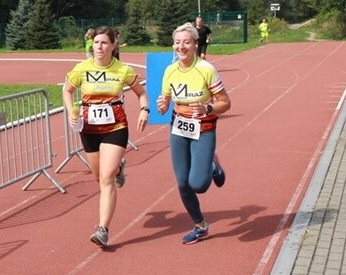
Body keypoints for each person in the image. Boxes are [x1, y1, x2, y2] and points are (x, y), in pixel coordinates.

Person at [63, 26, 148, 249]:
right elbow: (67, 90)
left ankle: (102, 229)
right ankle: (119, 167)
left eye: (103, 43)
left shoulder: (123, 70)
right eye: (96, 43)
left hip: (115, 127)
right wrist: (71, 112)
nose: (98, 47)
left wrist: (144, 109)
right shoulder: (82, 68)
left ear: (113, 46)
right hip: (89, 129)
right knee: (98, 177)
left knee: (106, 177)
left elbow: (141, 93)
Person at [156, 22, 231, 245]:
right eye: (178, 42)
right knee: (182, 183)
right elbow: (165, 100)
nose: (182, 47)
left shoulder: (206, 69)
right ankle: (200, 225)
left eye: (186, 42)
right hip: (178, 128)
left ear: (195, 44)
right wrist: (162, 105)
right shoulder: (170, 70)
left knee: (199, 184)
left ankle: (212, 165)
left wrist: (207, 108)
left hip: (204, 128)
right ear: (173, 45)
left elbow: (225, 103)